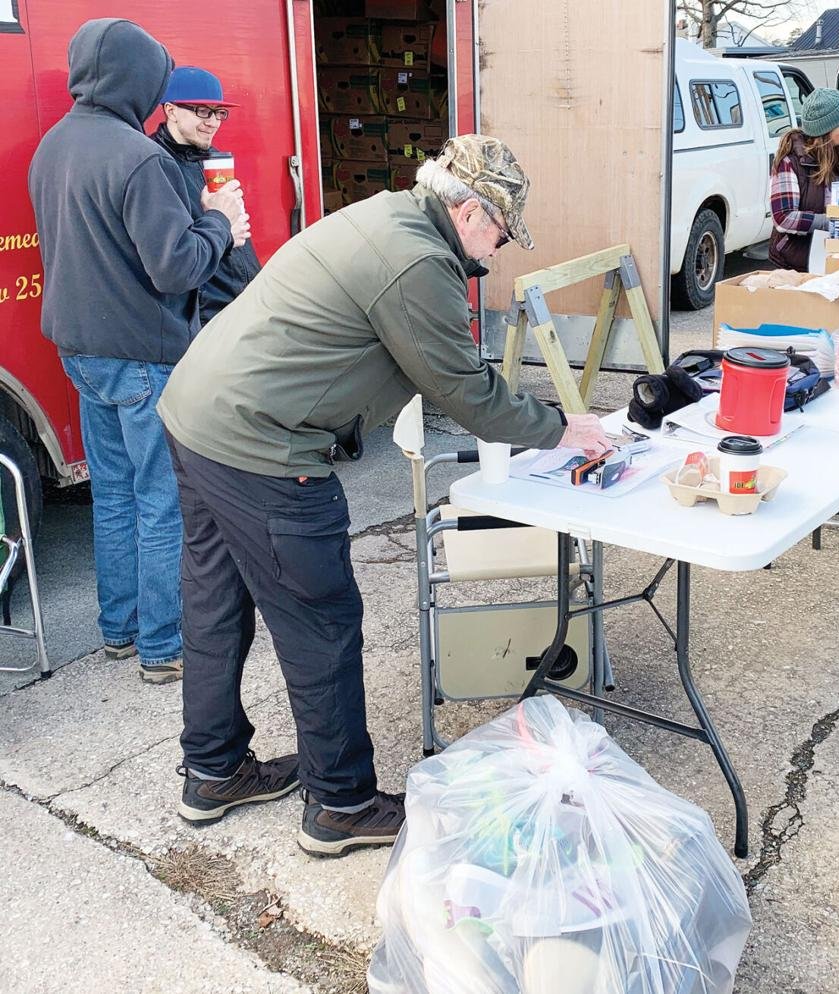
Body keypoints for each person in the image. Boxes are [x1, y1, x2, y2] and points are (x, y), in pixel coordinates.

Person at [157, 134, 610, 857]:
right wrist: (561, 430)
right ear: (469, 213)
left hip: (199, 416)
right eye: (498, 232)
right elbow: (464, 390)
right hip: (263, 447)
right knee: (321, 624)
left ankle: (212, 770)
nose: (496, 251)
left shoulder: (386, 215)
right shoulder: (422, 263)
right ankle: (340, 805)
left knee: (215, 603)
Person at [27, 18, 249, 684]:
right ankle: (163, 648)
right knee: (161, 503)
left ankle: (118, 633)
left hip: (80, 353)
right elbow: (177, 269)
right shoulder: (141, 157)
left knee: (115, 498)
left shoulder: (51, 146)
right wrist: (222, 224)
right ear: (136, 78)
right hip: (143, 356)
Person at [151, 66, 263, 325]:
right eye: (202, 111)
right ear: (171, 110)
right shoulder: (155, 164)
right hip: (205, 316)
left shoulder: (213, 158)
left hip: (243, 304)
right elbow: (173, 255)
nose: (212, 122)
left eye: (219, 113)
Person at [768, 88, 839, 272]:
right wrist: (834, 221)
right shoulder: (790, 161)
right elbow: (783, 217)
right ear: (825, 129)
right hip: (798, 263)